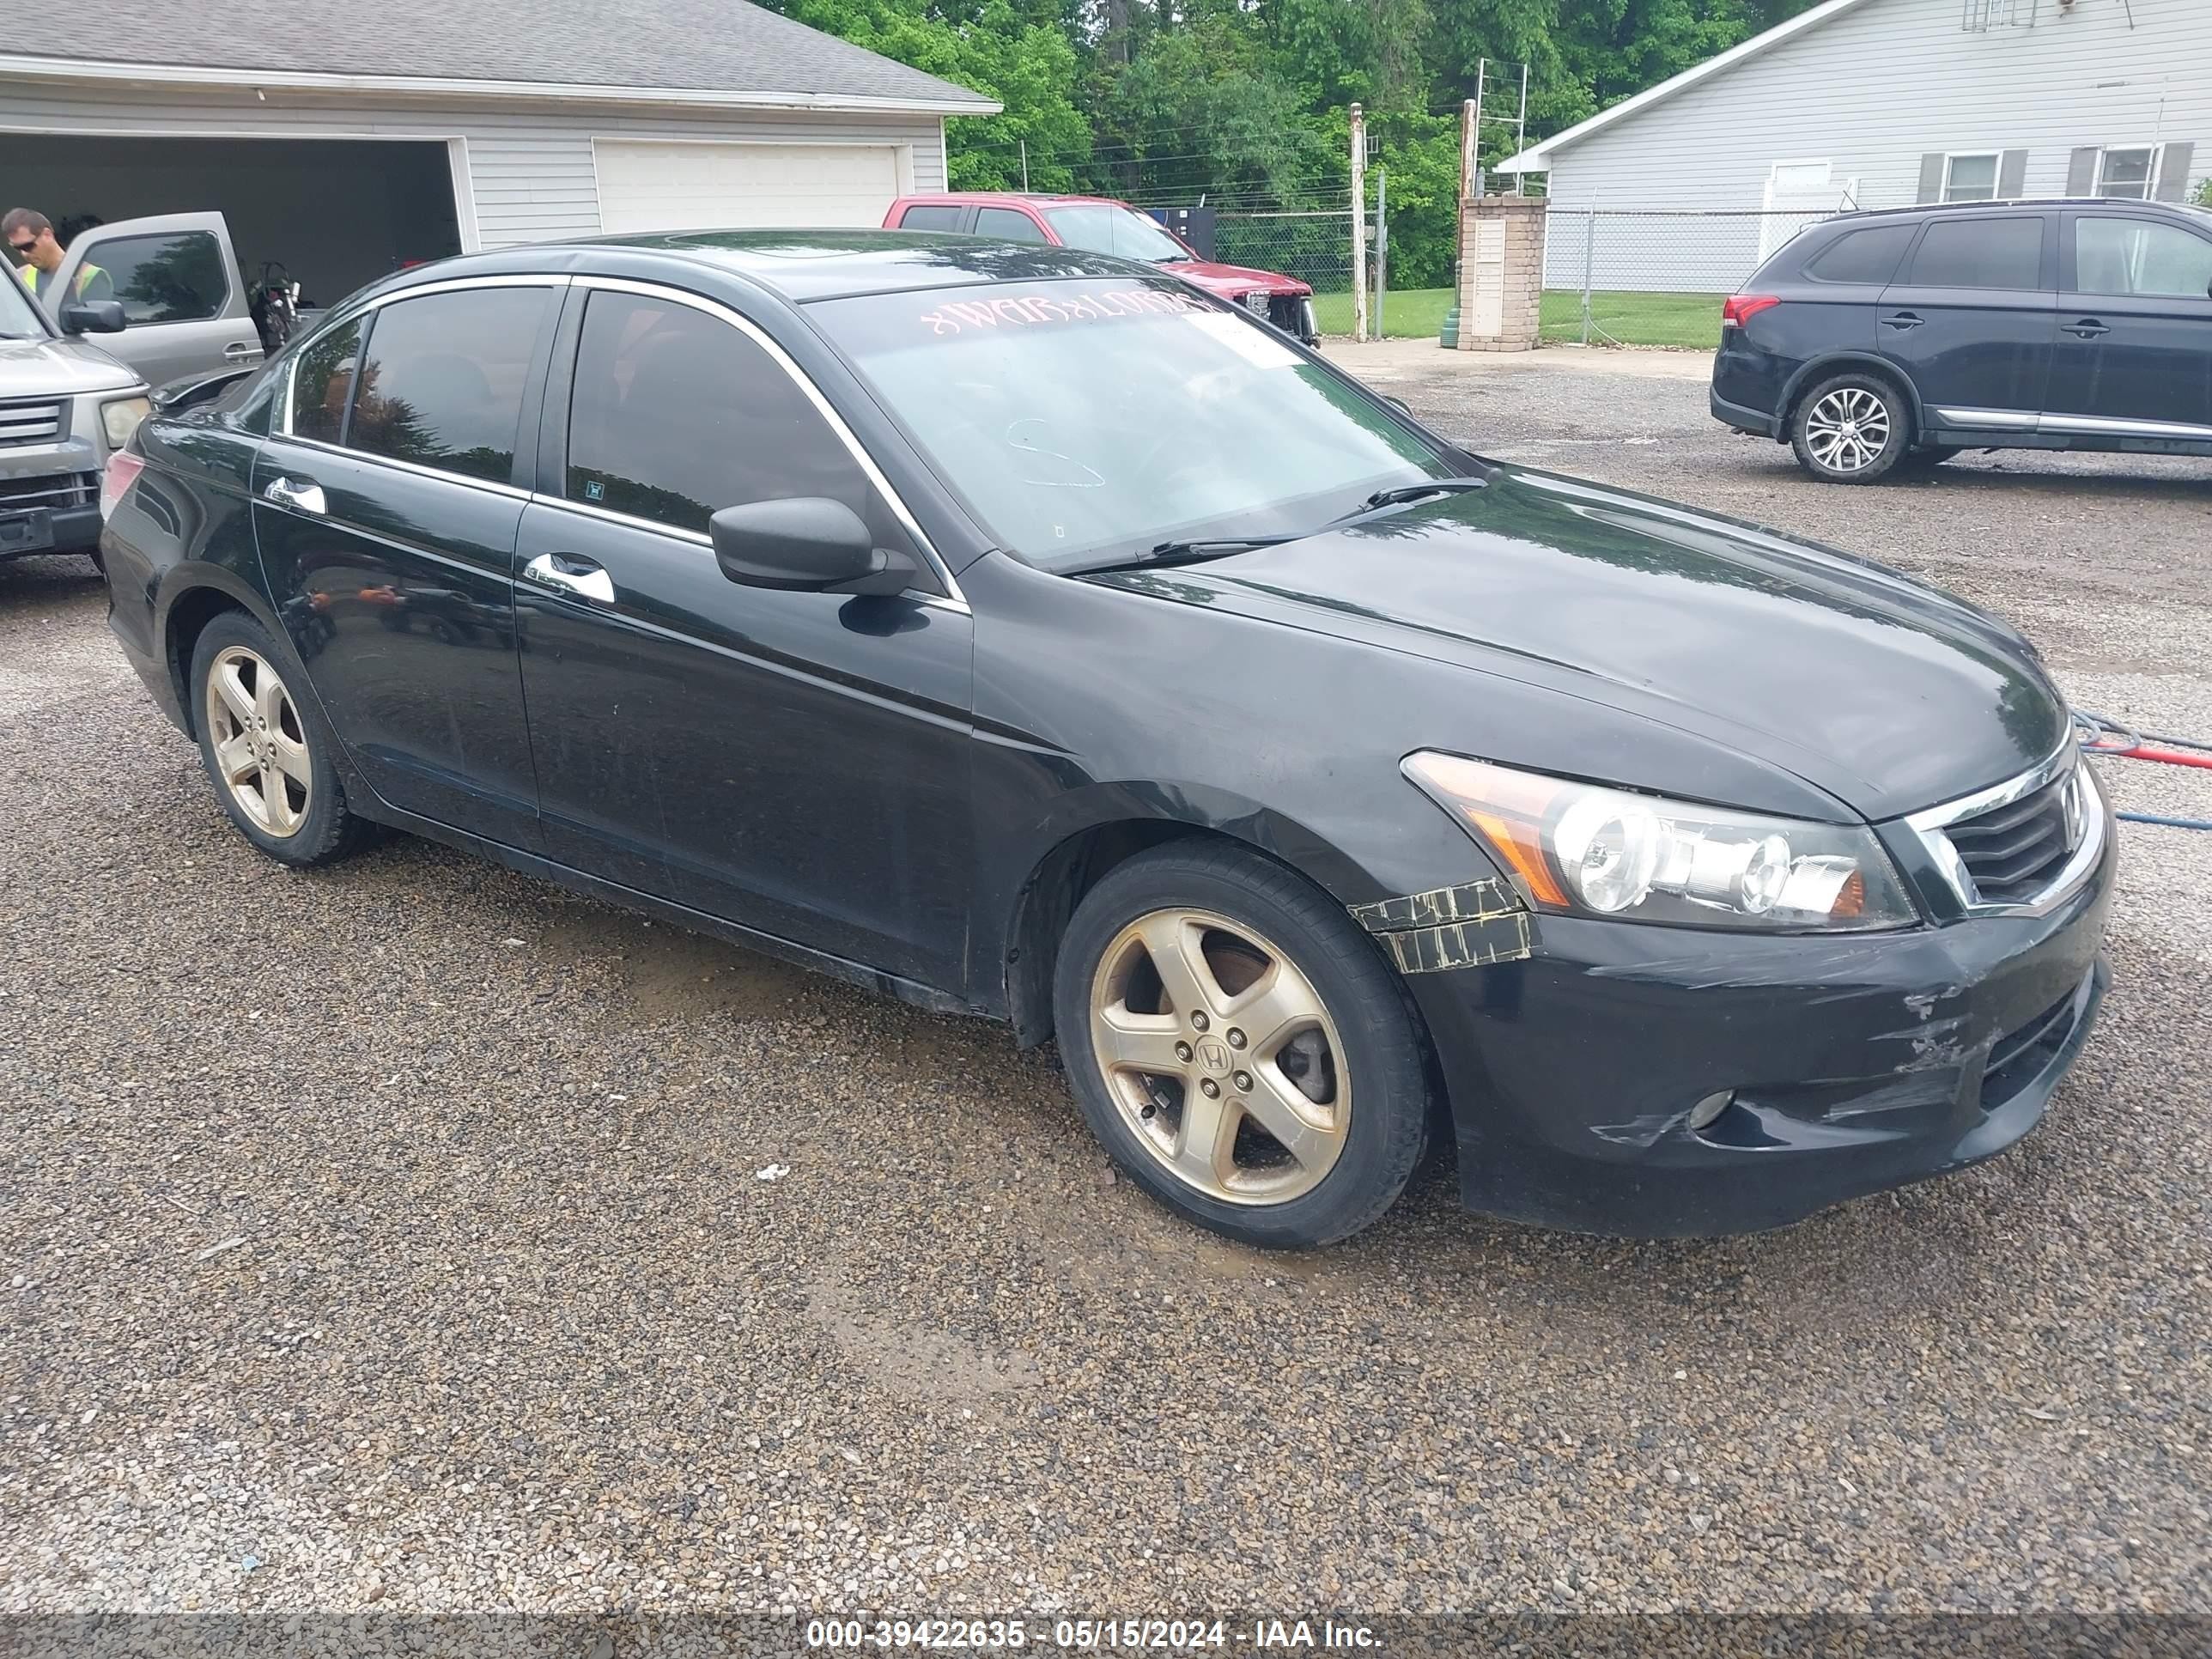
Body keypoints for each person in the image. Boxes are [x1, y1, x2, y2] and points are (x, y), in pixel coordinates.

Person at [3, 208, 112, 307]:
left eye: (28, 246)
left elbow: (93, 325)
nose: (24, 254)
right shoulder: (18, 276)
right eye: (18, 248)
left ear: (47, 235)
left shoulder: (90, 275)